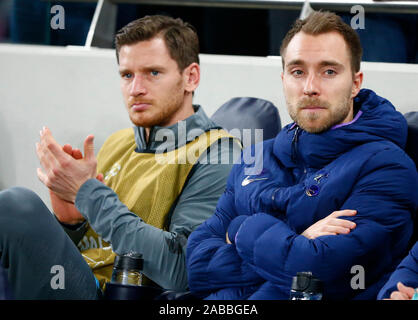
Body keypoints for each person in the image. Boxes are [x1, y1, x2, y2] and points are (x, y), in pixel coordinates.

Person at [0, 15, 240, 299]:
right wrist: (71, 222)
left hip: (121, 294)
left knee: (17, 206)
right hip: (82, 281)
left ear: (191, 77)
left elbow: (183, 271)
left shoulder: (219, 154)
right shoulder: (119, 141)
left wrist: (88, 194)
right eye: (127, 75)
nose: (136, 88)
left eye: (153, 73)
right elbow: (87, 251)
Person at [186, 11, 418, 300]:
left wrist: (241, 228)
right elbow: (196, 266)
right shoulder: (256, 157)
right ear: (283, 79)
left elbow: (313, 270)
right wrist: (295, 241)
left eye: (328, 71)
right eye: (298, 72)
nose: (310, 87)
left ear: (356, 83)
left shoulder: (388, 167)